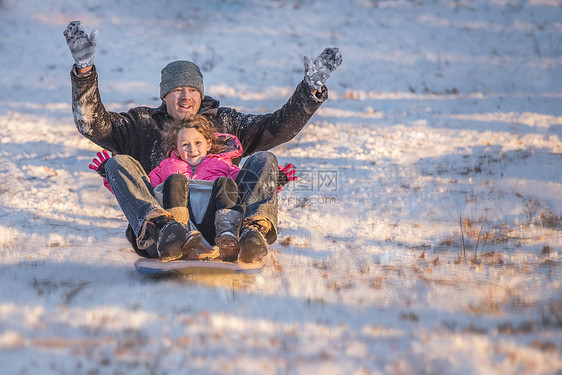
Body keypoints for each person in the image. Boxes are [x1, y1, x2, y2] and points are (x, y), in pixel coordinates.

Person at [64, 20, 342, 263]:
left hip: (221, 224)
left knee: (264, 160)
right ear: (164, 96)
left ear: (201, 95)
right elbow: (92, 124)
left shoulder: (226, 124)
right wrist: (85, 72)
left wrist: (310, 90)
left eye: (192, 90)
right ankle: (162, 229)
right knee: (118, 163)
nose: (185, 96)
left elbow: (278, 127)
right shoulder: (142, 125)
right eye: (177, 90)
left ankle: (252, 232)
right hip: (162, 228)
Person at [148, 115, 244, 262]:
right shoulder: (166, 166)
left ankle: (228, 237)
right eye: (185, 144)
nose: (192, 149)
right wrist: (112, 178)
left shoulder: (224, 165)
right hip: (184, 229)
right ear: (176, 148)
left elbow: (247, 190)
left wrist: (273, 182)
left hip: (213, 226)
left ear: (208, 144)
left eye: (198, 142)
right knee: (175, 180)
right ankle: (177, 234)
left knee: (226, 183)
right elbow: (143, 192)